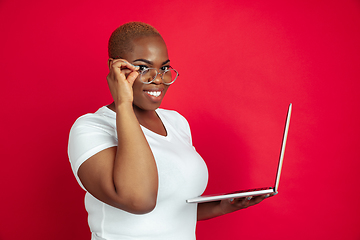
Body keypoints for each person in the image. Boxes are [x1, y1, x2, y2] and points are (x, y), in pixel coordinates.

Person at [68, 21, 273, 240]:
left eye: (164, 68)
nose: (159, 79)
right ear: (115, 68)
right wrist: (123, 105)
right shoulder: (90, 128)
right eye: (143, 68)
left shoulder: (176, 122)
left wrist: (222, 206)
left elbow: (169, 211)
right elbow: (139, 200)